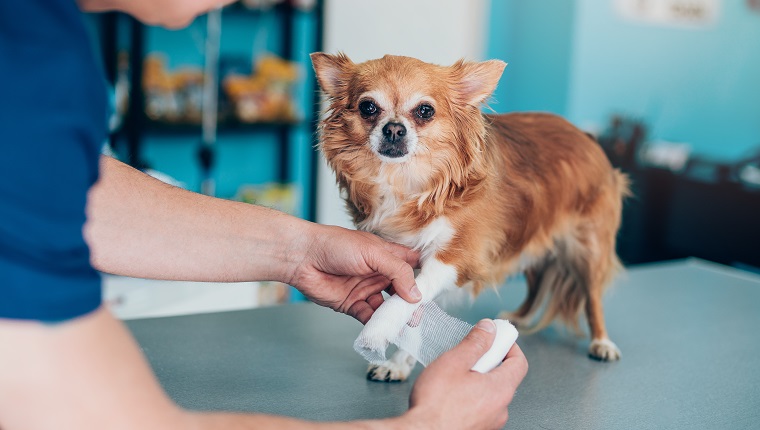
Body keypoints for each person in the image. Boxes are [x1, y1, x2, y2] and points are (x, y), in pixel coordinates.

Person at [0, 0, 528, 429]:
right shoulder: (30, 56)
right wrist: (425, 427)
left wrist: (297, 251)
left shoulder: (35, 27)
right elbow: (75, 410)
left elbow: (68, 192)